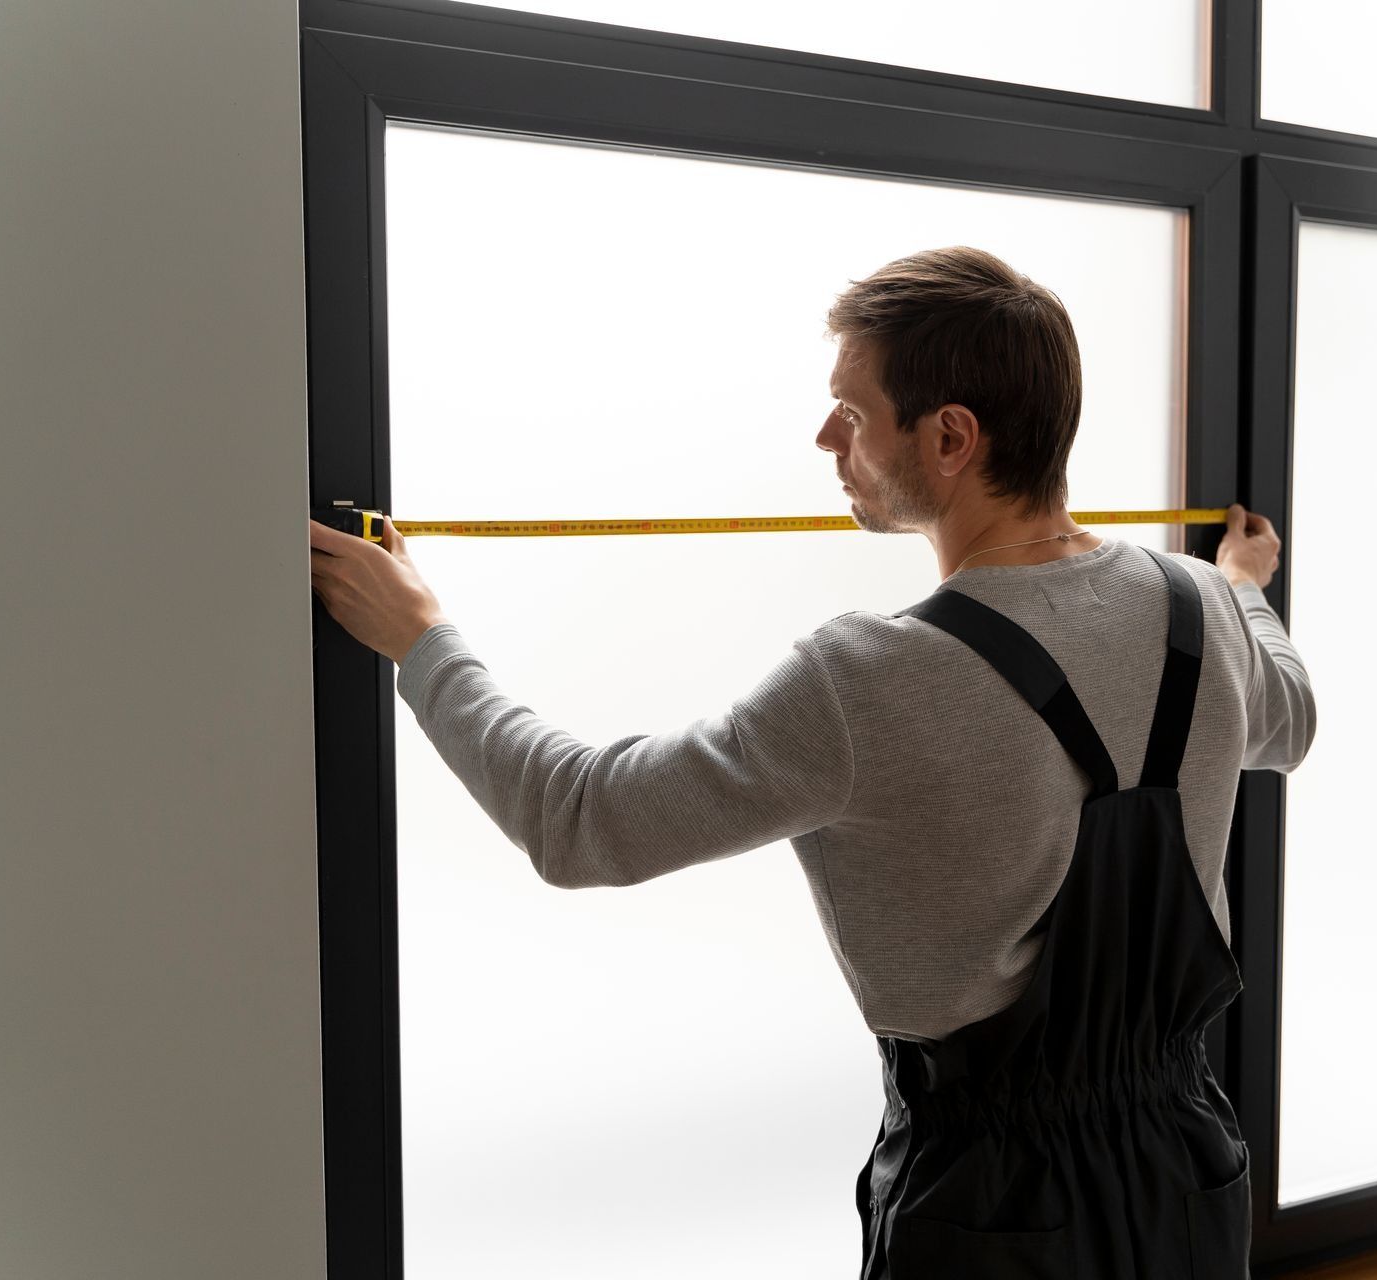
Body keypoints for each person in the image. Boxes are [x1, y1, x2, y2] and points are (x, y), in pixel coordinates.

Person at [307, 245, 1314, 1278]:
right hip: (1189, 1168)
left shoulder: (868, 678)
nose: (826, 436)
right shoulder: (1203, 606)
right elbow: (1292, 720)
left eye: (854, 410)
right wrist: (1241, 585)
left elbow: (581, 822)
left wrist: (422, 641)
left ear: (952, 436)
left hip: (993, 1210)